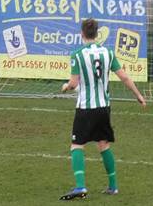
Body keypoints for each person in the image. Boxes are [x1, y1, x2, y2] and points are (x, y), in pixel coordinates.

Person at [59, 18, 146, 200]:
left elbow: (74, 84)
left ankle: (80, 186)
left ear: (82, 34)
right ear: (97, 34)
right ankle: (113, 186)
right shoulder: (108, 52)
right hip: (104, 108)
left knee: (77, 145)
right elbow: (124, 77)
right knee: (103, 145)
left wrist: (66, 86)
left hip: (86, 108)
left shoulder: (77, 54)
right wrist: (138, 95)